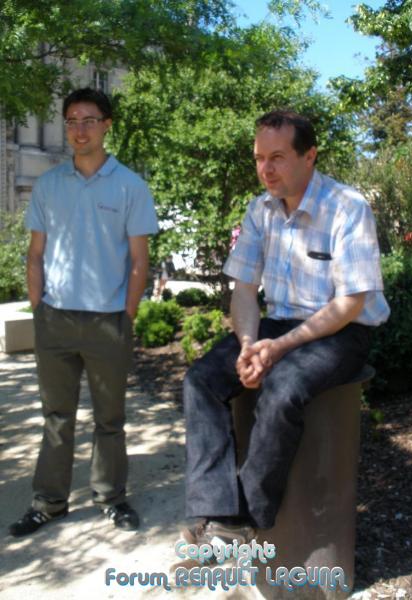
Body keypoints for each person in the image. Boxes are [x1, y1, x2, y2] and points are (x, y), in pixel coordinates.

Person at [181, 110, 390, 551]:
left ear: (309, 155)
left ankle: (246, 519)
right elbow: (243, 290)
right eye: (259, 158)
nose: (266, 170)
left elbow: (350, 302)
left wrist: (279, 348)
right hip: (276, 325)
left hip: (342, 328)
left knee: (284, 384)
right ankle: (215, 511)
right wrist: (248, 344)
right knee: (202, 380)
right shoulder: (260, 209)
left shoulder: (347, 207)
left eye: (277, 157)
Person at [9, 88, 159, 537]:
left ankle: (111, 498)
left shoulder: (130, 185)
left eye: (89, 120)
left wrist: (125, 316)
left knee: (109, 419)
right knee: (56, 417)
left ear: (107, 124)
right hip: (54, 319)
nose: (79, 129)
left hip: (107, 321)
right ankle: (49, 502)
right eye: (71, 120)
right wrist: (39, 309)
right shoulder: (50, 184)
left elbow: (140, 261)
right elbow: (35, 254)